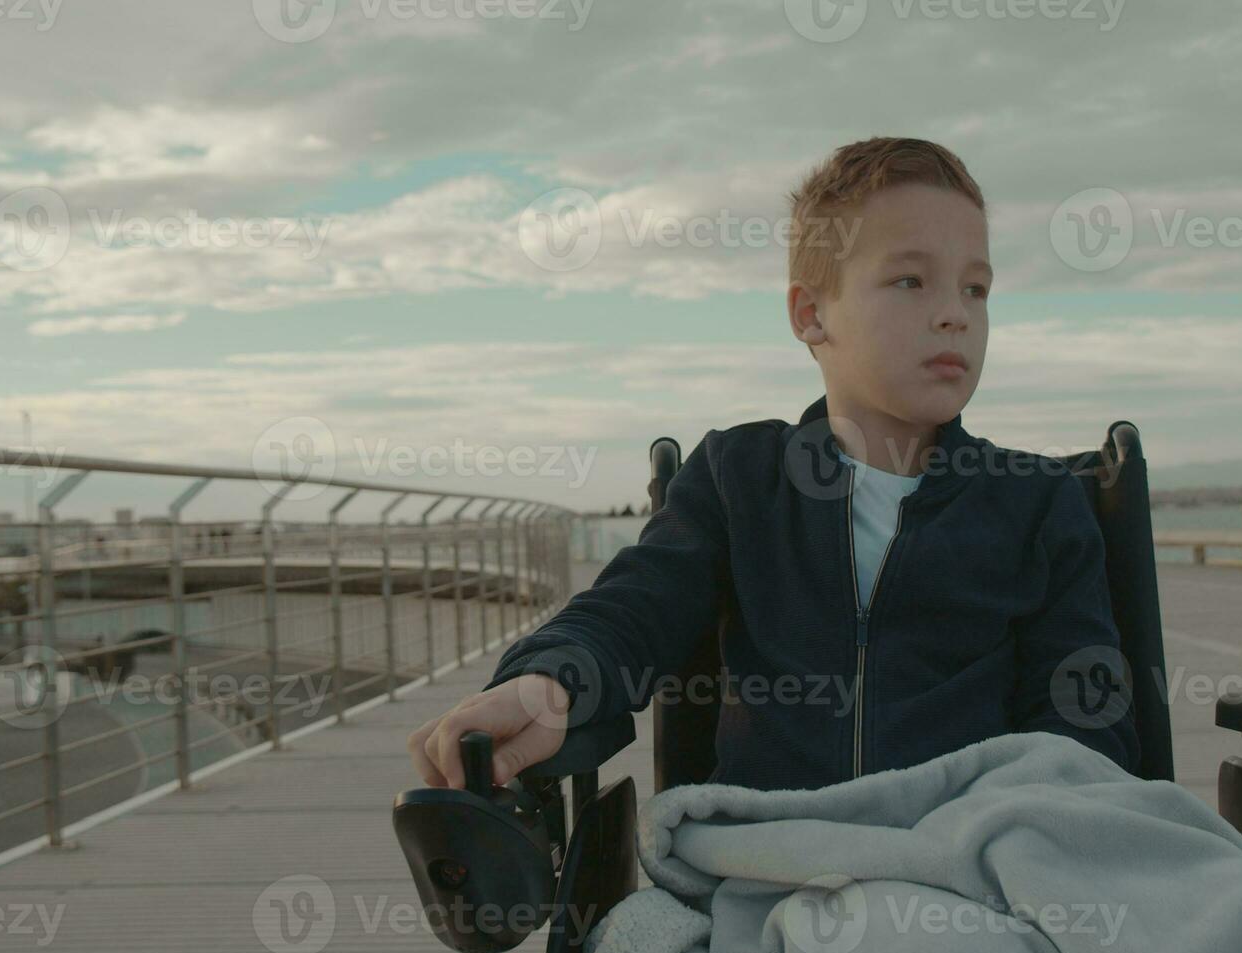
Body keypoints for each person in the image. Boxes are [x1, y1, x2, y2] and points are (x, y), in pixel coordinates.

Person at [409, 137, 1137, 794]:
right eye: (912, 281)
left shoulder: (1035, 504)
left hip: (972, 863)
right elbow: (635, 610)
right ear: (810, 315)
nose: (955, 313)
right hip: (774, 861)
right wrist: (548, 682)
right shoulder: (740, 480)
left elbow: (1080, 707)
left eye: (975, 288)